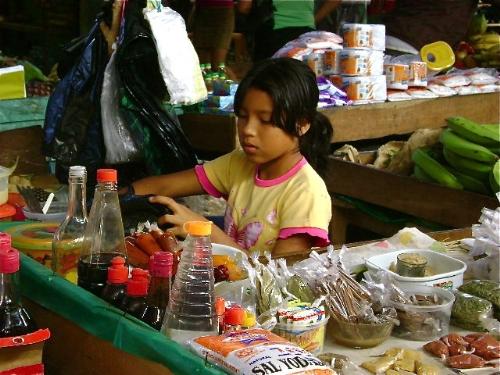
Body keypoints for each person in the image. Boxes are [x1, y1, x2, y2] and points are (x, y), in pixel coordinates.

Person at [128, 58, 333, 257]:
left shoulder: (306, 194)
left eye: (265, 120)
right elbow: (163, 186)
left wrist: (205, 231)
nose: (248, 130)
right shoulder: (239, 163)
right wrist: (108, 198)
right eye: (243, 117)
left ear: (302, 124)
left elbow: (279, 282)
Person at [240, 0, 342, 61]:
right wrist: (314, 19)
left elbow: (244, 7)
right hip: (307, 34)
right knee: (302, 80)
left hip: (273, 34)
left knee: (269, 82)